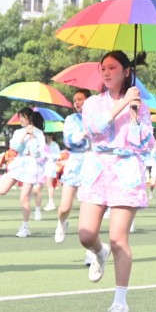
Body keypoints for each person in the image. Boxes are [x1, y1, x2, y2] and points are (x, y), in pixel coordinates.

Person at [77, 51, 153, 312]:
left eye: (112, 67)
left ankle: (120, 301)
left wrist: (134, 116)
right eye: (103, 68)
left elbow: (144, 145)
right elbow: (94, 129)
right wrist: (122, 105)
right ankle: (100, 252)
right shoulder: (92, 103)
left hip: (126, 170)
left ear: (126, 71)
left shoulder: (139, 105)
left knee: (118, 238)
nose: (107, 72)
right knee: (86, 235)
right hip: (97, 169)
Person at [0, 108, 47, 238]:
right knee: (1, 191)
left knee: (24, 197)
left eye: (22, 117)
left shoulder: (39, 133)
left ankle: (25, 227)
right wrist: (25, 135)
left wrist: (33, 138)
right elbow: (14, 147)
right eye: (19, 117)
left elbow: (41, 152)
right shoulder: (18, 132)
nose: (20, 120)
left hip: (31, 166)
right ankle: (2, 177)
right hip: (19, 163)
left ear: (29, 118)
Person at [55, 89, 91, 245]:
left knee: (88, 207)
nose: (77, 103)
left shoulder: (98, 117)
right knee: (65, 207)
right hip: (75, 161)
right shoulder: (71, 119)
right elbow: (68, 141)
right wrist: (83, 134)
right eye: (75, 100)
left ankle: (91, 246)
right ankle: (61, 222)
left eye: (80, 99)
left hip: (93, 162)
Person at [41, 131, 61, 212]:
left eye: (47, 136)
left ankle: (51, 202)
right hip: (44, 167)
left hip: (51, 166)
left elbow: (58, 156)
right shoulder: (43, 145)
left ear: (51, 136)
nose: (46, 138)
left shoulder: (54, 145)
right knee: (46, 185)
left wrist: (49, 156)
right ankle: (50, 201)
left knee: (50, 185)